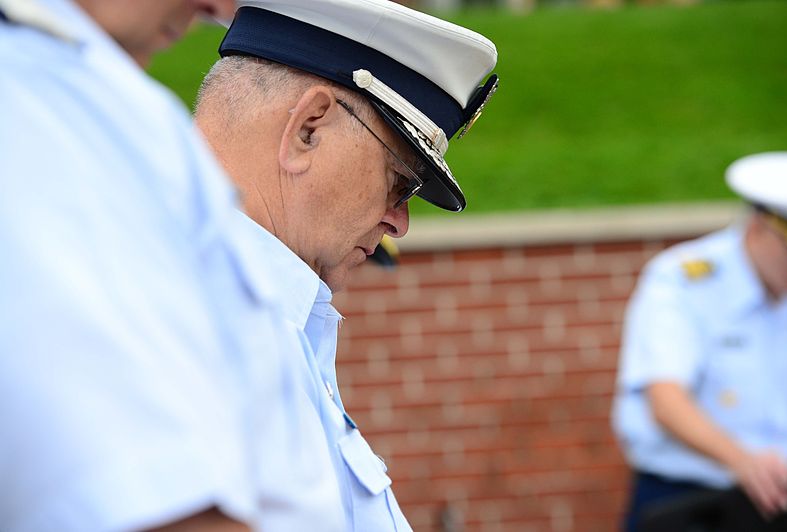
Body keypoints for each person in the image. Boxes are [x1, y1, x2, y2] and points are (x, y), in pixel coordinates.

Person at [0, 0, 346, 530]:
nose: (218, 8)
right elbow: (132, 495)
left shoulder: (98, 95)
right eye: (399, 183)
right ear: (307, 128)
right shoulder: (34, 96)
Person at [193, 1, 499, 529]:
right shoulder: (189, 317)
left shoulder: (265, 313)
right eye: (400, 181)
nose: (399, 223)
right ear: (308, 128)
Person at [612, 152, 787, 531]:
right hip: (692, 503)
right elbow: (665, 399)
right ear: (760, 227)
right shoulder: (683, 281)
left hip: (784, 497)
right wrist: (743, 461)